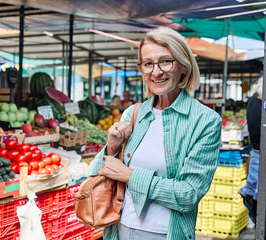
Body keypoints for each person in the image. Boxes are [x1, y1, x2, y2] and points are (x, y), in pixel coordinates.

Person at [87, 27, 222, 240]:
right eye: (148, 63)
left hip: (165, 234)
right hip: (118, 229)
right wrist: (112, 147)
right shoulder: (134, 113)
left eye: (166, 61)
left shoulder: (205, 121)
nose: (156, 72)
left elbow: (188, 194)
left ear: (184, 67)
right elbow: (96, 173)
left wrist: (130, 175)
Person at [239, 78, 262, 224]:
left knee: (258, 211)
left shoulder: (254, 100)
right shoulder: (262, 103)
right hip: (262, 160)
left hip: (256, 159)